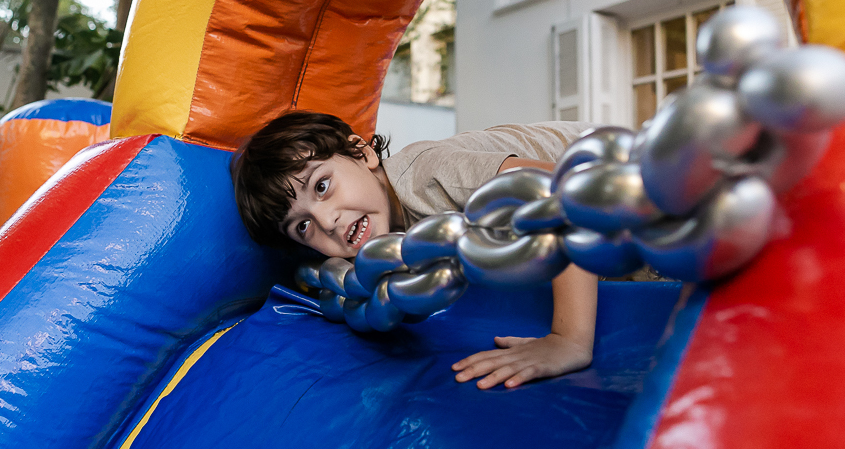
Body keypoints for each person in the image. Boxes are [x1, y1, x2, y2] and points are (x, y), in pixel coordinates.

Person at [231, 111, 599, 390]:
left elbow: (568, 193)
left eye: (323, 186)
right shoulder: (378, 246)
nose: (327, 221)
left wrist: (568, 339)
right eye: (303, 226)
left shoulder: (427, 176)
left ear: (362, 153)